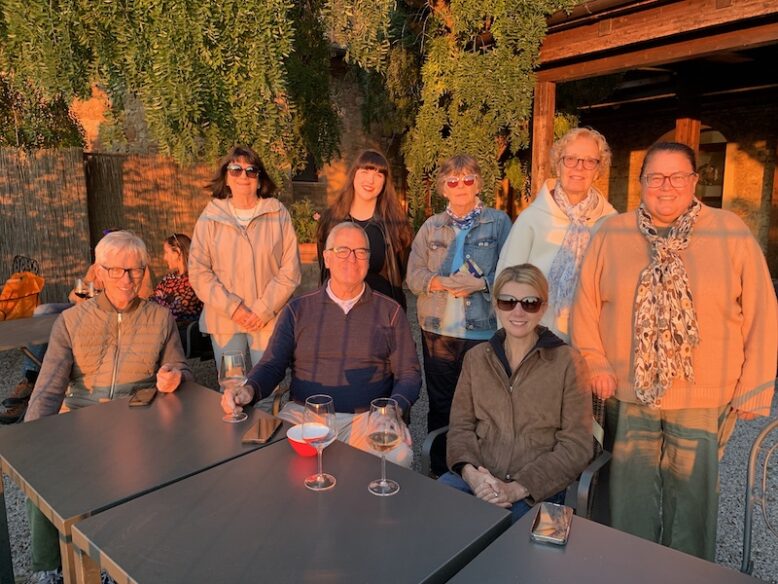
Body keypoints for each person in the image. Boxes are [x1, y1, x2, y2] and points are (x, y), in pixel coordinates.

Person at [571, 141, 778, 560]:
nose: (666, 186)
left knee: (693, 501)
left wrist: (756, 385)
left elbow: (762, 309)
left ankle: (687, 572)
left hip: (704, 395)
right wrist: (594, 361)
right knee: (628, 499)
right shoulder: (611, 233)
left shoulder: (729, 230)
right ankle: (630, 567)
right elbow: (585, 305)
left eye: (677, 176)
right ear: (642, 183)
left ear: (694, 181)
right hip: (629, 393)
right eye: (655, 177)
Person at [24, 230, 192, 584]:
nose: (127, 279)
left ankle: (116, 564)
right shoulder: (70, 321)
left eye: (135, 270)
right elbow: (49, 387)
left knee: (132, 469)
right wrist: (30, 440)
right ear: (98, 272)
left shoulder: (160, 318)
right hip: (81, 421)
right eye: (116, 270)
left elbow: (181, 368)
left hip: (138, 420)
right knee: (42, 474)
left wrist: (173, 374)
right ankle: (48, 569)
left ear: (145, 271)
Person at [222, 222, 421, 466]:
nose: (352, 258)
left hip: (366, 419)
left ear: (368, 260)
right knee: (267, 462)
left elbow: (409, 373)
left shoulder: (390, 311)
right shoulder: (298, 310)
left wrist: (393, 409)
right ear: (327, 258)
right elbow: (273, 364)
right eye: (342, 250)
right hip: (305, 415)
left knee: (398, 458)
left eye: (361, 252)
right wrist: (248, 388)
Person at [440, 264, 592, 522]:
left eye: (529, 303)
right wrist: (472, 475)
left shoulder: (568, 362)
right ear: (496, 306)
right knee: (431, 520)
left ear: (543, 307)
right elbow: (460, 427)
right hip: (479, 480)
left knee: (505, 550)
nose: (518, 311)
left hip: (537, 490)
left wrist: (516, 488)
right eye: (508, 302)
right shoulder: (476, 359)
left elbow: (576, 446)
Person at [406, 154, 511, 475]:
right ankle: (441, 470)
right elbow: (413, 276)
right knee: (441, 404)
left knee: (482, 406)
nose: (461, 186)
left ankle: (479, 472)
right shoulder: (431, 226)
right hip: (438, 331)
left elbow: (513, 274)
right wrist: (439, 281)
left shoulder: (499, 222)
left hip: (483, 332)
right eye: (453, 181)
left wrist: (480, 283)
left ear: (478, 183)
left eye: (467, 179)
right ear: (443, 188)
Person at [189, 145, 301, 378]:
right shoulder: (210, 217)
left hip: (268, 318)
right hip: (224, 318)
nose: (243, 176)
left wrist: (262, 310)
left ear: (260, 180)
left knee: (270, 385)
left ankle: (265, 418)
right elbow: (199, 272)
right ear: (226, 177)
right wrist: (234, 308)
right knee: (232, 385)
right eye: (236, 169)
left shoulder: (277, 214)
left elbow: (290, 270)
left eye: (251, 170)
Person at [496, 127, 616, 342]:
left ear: (598, 170)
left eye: (590, 161)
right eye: (570, 159)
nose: (579, 167)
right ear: (558, 165)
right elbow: (505, 284)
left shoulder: (611, 223)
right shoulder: (531, 219)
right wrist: (511, 344)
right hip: (535, 337)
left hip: (590, 340)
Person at [316, 149, 413, 310]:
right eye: (365, 172)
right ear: (354, 174)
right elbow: (324, 266)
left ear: (384, 183)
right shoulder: (330, 221)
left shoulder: (396, 226)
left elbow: (400, 271)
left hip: (381, 313)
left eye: (379, 175)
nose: (370, 180)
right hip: (337, 311)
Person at [150, 233, 203, 328]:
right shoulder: (169, 278)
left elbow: (181, 309)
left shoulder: (195, 279)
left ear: (178, 252)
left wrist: (162, 301)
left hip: (186, 334)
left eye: (166, 252)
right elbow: (151, 302)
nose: (164, 258)